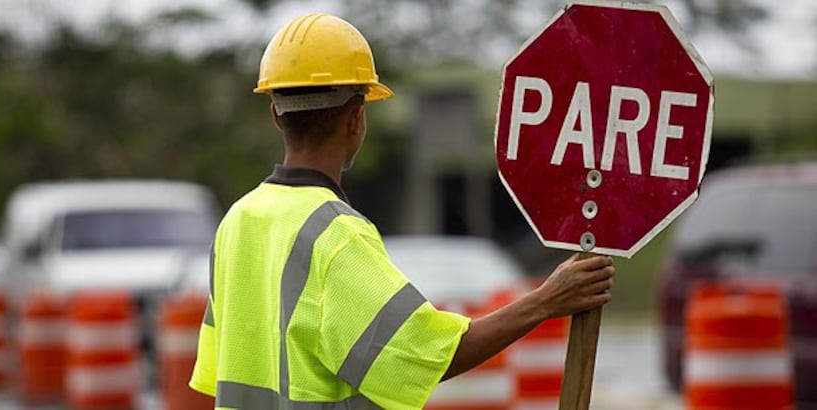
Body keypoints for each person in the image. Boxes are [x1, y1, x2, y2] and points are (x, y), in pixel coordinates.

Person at [189, 12, 614, 410]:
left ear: (275, 116)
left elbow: (220, 370)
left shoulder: (238, 220)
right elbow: (427, 357)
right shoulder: (334, 234)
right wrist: (545, 301)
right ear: (357, 119)